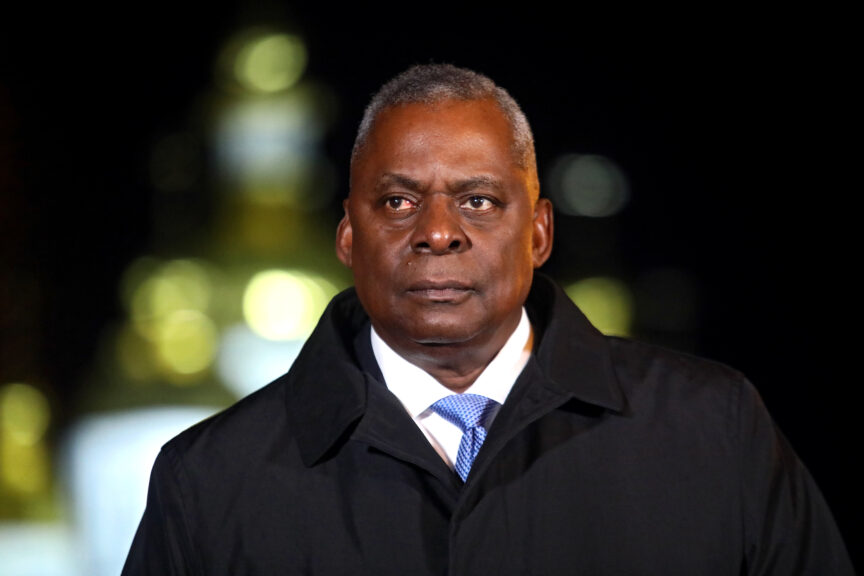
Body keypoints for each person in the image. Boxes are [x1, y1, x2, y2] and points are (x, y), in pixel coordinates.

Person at [122, 64, 854, 575]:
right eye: (398, 202)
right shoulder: (213, 481)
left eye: (477, 201)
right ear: (348, 236)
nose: (438, 232)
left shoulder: (710, 431)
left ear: (539, 233)